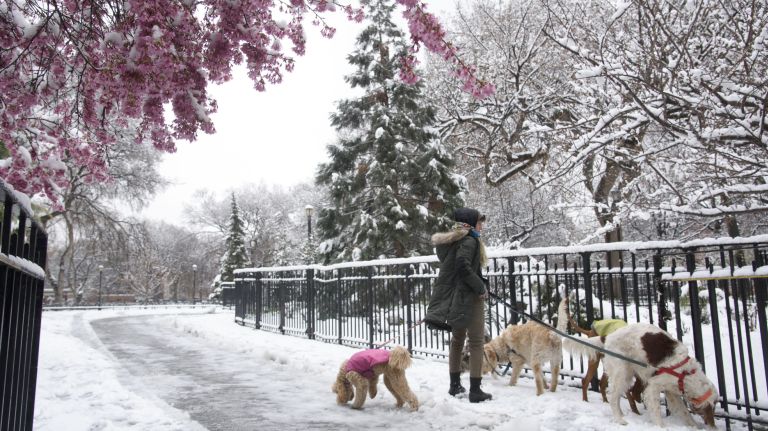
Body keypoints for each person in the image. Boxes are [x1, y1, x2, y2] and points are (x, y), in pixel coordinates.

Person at [424, 207, 492, 403]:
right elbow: (463, 266)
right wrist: (480, 288)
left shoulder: (452, 242)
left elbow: (457, 267)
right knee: (477, 341)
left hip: (457, 297)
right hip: (468, 298)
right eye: (479, 223)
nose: (482, 226)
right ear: (470, 224)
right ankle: (476, 390)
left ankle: (454, 386)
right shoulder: (470, 241)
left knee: (457, 340)